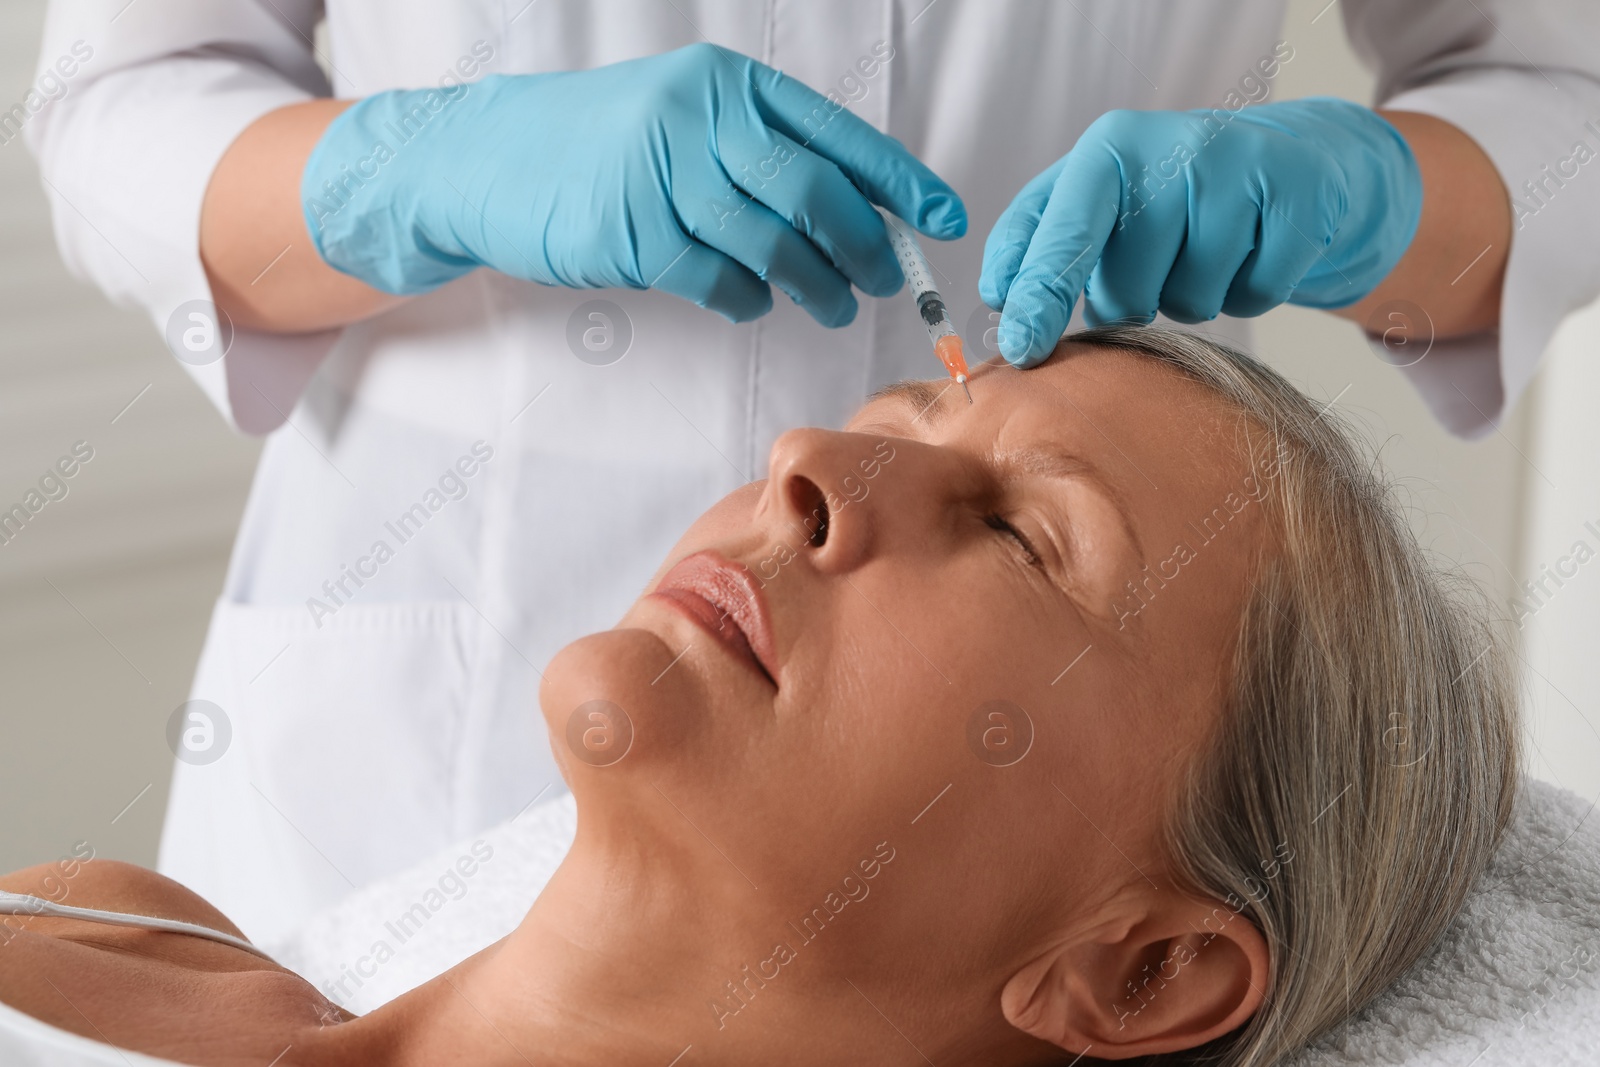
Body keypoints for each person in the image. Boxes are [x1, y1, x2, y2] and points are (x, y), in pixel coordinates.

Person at [26, 0, 1589, 942]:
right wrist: (417, 169)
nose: (803, 473)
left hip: (989, 838)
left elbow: (1564, 104)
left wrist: (1368, 197)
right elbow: (119, 96)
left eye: (1025, 532)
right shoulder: (170, 980)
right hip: (399, 731)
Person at [0, 328, 1517, 1066]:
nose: (811, 461)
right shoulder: (110, 928)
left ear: (1141, 973)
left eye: (1016, 535)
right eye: (894, 415)